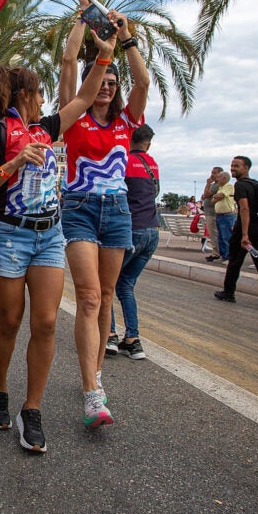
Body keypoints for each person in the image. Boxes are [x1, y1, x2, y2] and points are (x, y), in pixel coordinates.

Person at [0, 0, 123, 451]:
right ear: (24, 95)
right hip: (10, 235)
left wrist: (105, 53)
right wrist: (13, 163)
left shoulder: (49, 127)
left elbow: (83, 93)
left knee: (48, 321)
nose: (43, 100)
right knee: (10, 320)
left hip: (50, 236)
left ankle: (31, 409)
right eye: (37, 93)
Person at [56, 0, 149, 428]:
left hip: (118, 211)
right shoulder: (73, 114)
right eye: (103, 80)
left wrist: (126, 38)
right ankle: (92, 393)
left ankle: (96, 375)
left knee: (108, 295)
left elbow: (144, 82)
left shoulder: (128, 122)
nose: (106, 87)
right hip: (77, 207)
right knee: (90, 296)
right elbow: (68, 63)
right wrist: (82, 17)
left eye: (112, 83)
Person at [110, 124, 160, 361]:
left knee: (105, 284)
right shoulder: (153, 165)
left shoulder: (126, 161)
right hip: (152, 232)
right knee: (126, 285)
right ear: (148, 143)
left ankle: (109, 334)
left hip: (132, 230)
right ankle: (132, 339)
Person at [214, 156, 258, 311]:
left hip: (245, 229)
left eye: (237, 166)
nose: (233, 168)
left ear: (246, 168)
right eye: (232, 165)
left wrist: (245, 235)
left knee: (235, 261)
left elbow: (244, 209)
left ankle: (228, 292)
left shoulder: (241, 186)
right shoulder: (256, 185)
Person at [210, 170, 236, 262]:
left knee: (226, 236)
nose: (217, 179)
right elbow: (212, 201)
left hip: (227, 215)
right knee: (220, 237)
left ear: (224, 178)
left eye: (219, 177)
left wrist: (217, 197)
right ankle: (223, 255)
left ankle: (229, 257)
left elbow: (220, 196)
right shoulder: (220, 187)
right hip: (219, 215)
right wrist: (217, 196)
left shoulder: (228, 186)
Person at [200, 166, 223, 260]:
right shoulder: (214, 184)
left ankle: (217, 253)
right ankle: (216, 252)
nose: (212, 174)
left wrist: (208, 183)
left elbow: (206, 195)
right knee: (213, 233)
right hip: (209, 211)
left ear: (219, 174)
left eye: (214, 173)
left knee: (214, 233)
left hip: (212, 212)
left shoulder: (217, 185)